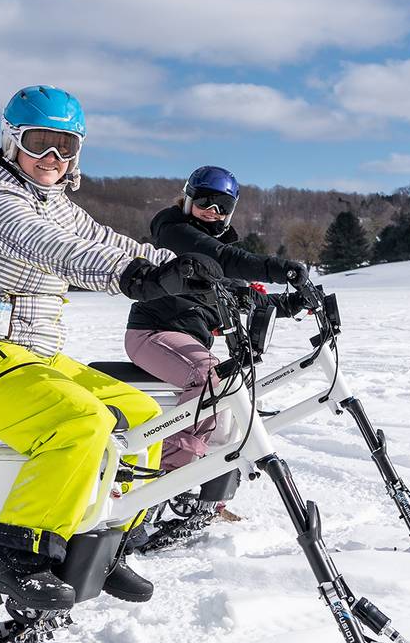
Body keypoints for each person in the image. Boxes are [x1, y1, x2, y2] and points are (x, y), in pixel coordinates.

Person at [0, 86, 221, 611]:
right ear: (11, 141)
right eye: (40, 143)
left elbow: (110, 243)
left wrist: (208, 276)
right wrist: (134, 277)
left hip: (32, 356)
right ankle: (19, 552)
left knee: (145, 416)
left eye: (67, 146)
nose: (53, 158)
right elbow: (52, 249)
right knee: (81, 422)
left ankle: (107, 541)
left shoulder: (55, 204)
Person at [125, 165, 307, 473]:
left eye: (222, 206)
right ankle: (171, 474)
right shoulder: (174, 232)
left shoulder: (212, 255)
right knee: (206, 375)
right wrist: (280, 269)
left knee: (232, 391)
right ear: (187, 200)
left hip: (186, 341)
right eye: (204, 201)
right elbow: (224, 259)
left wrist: (290, 303)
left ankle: (212, 481)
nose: (212, 211)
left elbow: (242, 295)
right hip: (152, 334)